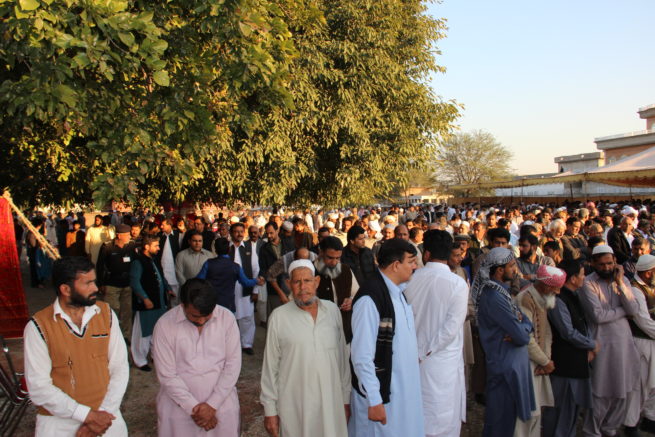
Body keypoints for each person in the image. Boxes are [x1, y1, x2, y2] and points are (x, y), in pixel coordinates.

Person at [24, 256, 129, 436]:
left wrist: (102, 416)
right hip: (58, 424)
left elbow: (119, 367)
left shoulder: (105, 314)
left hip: (107, 418)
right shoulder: (38, 327)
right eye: (87, 283)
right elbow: (38, 388)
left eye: (94, 282)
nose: (95, 288)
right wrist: (87, 416)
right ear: (65, 289)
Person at [260, 259, 351, 437]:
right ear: (288, 284)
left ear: (316, 282)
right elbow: (270, 367)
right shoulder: (279, 317)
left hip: (331, 403)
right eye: (297, 282)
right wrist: (270, 410)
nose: (303, 287)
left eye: (307, 281)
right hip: (296, 406)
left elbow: (342, 359)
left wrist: (345, 399)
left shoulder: (332, 311)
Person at [349, 239, 424, 437]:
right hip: (383, 398)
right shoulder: (370, 299)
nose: (415, 266)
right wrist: (374, 400)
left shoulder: (398, 293)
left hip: (403, 394)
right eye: (411, 261)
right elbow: (362, 356)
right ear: (396, 265)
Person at [152, 279, 241, 437]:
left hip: (221, 405)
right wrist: (194, 408)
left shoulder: (226, 318)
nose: (201, 321)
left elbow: (232, 366)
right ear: (182, 305)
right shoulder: (164, 325)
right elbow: (167, 375)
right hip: (178, 409)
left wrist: (212, 405)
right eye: (194, 316)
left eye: (206, 317)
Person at [404, 230, 468, 437]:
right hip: (437, 358)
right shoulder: (457, 283)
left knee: (420, 414)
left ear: (426, 253)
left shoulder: (410, 280)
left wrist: (422, 351)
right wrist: (427, 351)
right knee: (441, 416)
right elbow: (451, 328)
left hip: (417, 356)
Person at [471, 247, 535, 436]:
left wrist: (523, 326)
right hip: (504, 365)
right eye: (512, 265)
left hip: (509, 362)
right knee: (500, 422)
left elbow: (525, 321)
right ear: (499, 270)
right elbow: (522, 335)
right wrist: (522, 327)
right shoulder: (494, 296)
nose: (515, 269)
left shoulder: (501, 292)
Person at [578, 244, 640, 437]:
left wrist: (621, 282)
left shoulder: (621, 281)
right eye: (602, 264)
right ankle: (593, 431)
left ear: (615, 263)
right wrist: (623, 312)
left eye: (610, 264)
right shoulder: (587, 283)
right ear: (593, 263)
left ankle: (609, 428)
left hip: (624, 344)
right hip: (601, 343)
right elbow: (598, 316)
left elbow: (635, 310)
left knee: (623, 391)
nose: (606, 268)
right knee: (600, 392)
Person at [542, 259, 597, 437]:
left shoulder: (574, 295)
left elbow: (583, 325)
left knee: (572, 409)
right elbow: (568, 332)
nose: (584, 278)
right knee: (560, 410)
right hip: (565, 364)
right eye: (582, 275)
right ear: (573, 278)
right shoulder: (558, 299)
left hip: (576, 362)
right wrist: (592, 344)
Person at [515, 265, 566, 436]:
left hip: (538, 363)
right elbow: (526, 338)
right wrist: (544, 362)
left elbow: (546, 332)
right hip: (526, 363)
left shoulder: (542, 298)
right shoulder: (525, 299)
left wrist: (546, 360)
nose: (558, 292)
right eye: (556, 288)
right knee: (526, 413)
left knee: (536, 412)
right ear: (545, 286)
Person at [623, 254, 655, 436]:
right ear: (649, 273)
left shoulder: (650, 286)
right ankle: (631, 423)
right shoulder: (635, 289)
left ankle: (650, 418)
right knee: (640, 385)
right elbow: (643, 320)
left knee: (654, 385)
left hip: (652, 341)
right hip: (641, 342)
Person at [130, 235, 172, 371]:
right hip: (147, 305)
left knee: (157, 332)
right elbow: (135, 283)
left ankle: (155, 355)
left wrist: (168, 289)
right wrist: (145, 299)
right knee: (143, 333)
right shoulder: (138, 262)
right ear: (147, 247)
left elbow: (161, 277)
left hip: (159, 303)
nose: (159, 248)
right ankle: (140, 360)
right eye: (156, 245)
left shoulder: (154, 260)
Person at [96, 223, 137, 342]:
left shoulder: (131, 246)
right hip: (111, 284)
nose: (130, 236)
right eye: (127, 234)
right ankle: (112, 336)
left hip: (127, 284)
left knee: (126, 312)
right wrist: (100, 284)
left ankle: (126, 335)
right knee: (112, 311)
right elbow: (100, 266)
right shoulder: (107, 247)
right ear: (119, 236)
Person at [314, 236, 359, 342]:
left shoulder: (346, 270)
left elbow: (357, 293)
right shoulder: (310, 271)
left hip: (344, 330)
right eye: (330, 258)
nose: (334, 262)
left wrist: (351, 300)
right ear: (320, 252)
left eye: (337, 258)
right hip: (319, 332)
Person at [228, 222, 263, 354]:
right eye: (236, 231)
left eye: (241, 231)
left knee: (247, 317)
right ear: (231, 233)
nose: (239, 234)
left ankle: (246, 344)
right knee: (230, 317)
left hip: (245, 287)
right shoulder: (226, 247)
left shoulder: (249, 247)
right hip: (230, 288)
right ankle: (231, 346)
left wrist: (255, 290)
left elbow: (255, 269)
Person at [157, 218, 181, 306]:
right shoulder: (159, 236)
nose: (161, 226)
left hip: (174, 270)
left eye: (163, 225)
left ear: (169, 225)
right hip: (162, 269)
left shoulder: (178, 235)